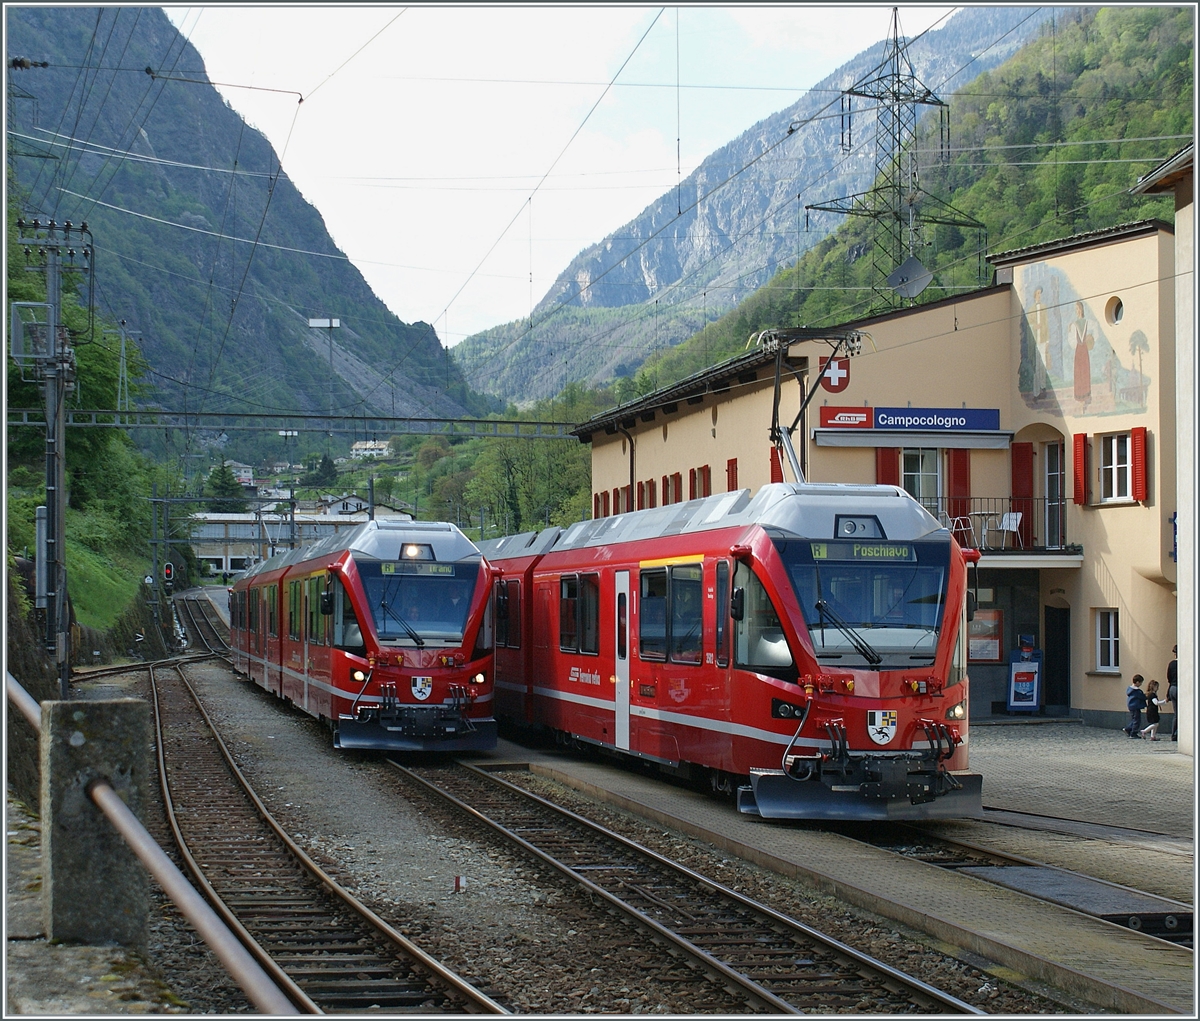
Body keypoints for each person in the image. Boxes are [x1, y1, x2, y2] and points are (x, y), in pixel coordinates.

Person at [1167, 644, 1178, 741]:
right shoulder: (1184, 663)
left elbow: (1169, 679)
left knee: (1176, 714)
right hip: (1180, 688)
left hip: (1172, 688)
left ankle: (1174, 734)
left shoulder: (1171, 664)